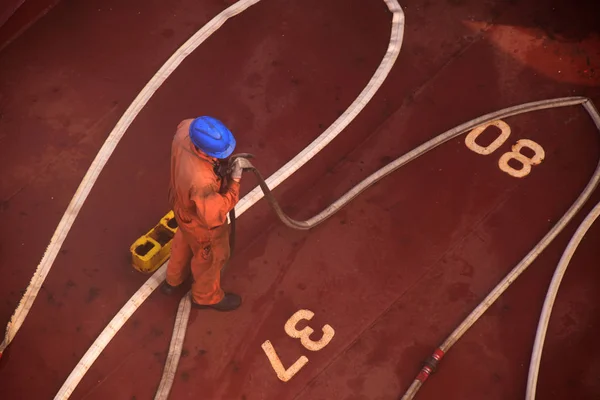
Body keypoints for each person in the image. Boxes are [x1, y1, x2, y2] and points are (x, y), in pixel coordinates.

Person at [161, 116, 244, 311]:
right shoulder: (202, 180)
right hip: (200, 221)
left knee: (183, 240)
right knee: (212, 257)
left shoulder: (186, 128)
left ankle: (172, 281)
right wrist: (235, 182)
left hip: (181, 206)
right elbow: (214, 214)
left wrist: (215, 167)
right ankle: (206, 297)